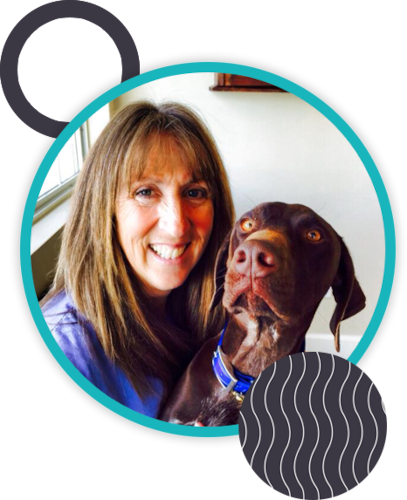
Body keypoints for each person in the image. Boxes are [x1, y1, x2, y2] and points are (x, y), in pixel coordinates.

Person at [41, 101, 235, 419]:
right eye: (145, 192)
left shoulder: (217, 308)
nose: (177, 225)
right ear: (105, 210)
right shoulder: (67, 349)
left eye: (195, 192)